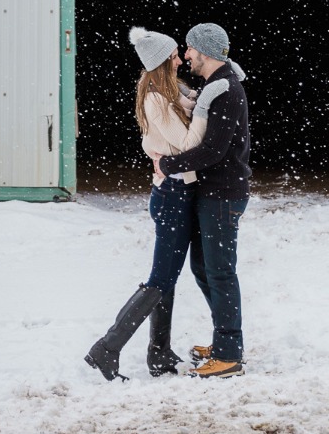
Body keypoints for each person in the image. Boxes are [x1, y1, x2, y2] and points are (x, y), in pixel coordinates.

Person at [83, 27, 228, 381]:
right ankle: (107, 347)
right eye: (175, 55)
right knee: (160, 278)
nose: (182, 59)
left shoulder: (170, 92)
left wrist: (201, 98)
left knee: (168, 278)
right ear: (164, 61)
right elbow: (186, 147)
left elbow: (188, 114)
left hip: (178, 193)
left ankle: (159, 353)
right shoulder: (156, 99)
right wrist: (206, 109)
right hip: (172, 197)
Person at [150, 22, 251, 379]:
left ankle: (229, 353)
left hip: (223, 196)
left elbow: (212, 150)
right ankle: (226, 341)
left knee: (220, 273)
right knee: (204, 270)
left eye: (190, 49)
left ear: (204, 51)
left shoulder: (225, 90)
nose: (186, 55)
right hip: (212, 194)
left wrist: (167, 163)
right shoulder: (215, 84)